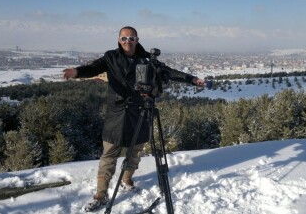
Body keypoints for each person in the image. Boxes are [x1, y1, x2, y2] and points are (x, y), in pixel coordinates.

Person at [63, 26, 205, 212]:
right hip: (117, 111)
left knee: (134, 151)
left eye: (131, 38)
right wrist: (77, 72)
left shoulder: (146, 59)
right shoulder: (111, 57)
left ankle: (127, 179)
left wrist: (192, 79)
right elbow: (93, 68)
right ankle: (101, 194)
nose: (127, 42)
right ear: (118, 40)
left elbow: (168, 72)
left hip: (140, 111)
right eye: (124, 38)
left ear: (137, 40)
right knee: (109, 154)